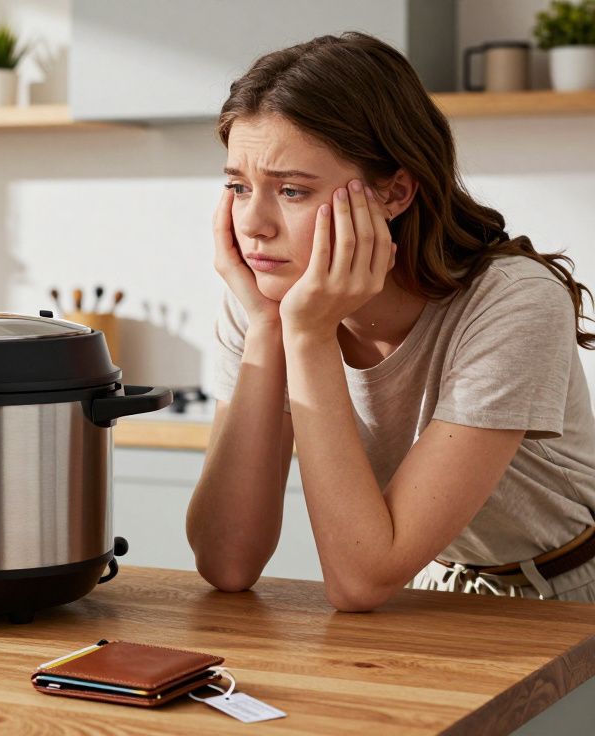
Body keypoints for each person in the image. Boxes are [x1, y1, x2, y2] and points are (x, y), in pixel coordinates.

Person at [185, 32, 595, 610]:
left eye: (293, 190)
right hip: (437, 588)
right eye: (237, 186)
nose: (253, 223)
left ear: (393, 192)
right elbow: (227, 561)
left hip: (569, 593)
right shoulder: (268, 302)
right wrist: (269, 330)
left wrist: (307, 334)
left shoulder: (513, 303)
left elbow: (360, 580)